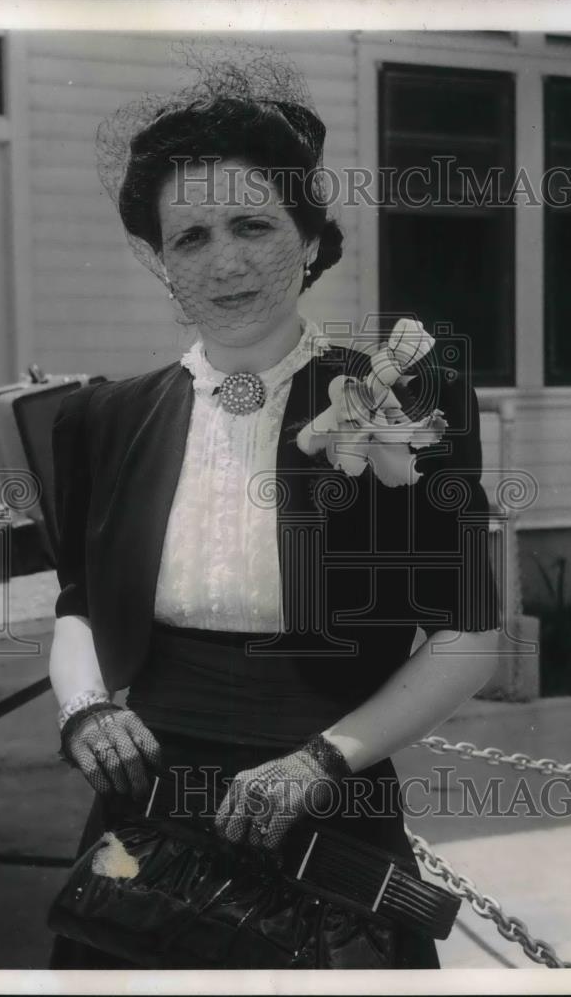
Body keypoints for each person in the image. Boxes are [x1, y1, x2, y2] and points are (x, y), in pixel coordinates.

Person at [48, 47, 500, 970]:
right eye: (190, 238)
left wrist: (322, 761)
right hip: (148, 811)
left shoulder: (404, 404)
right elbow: (79, 605)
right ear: (156, 260)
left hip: (332, 799)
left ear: (308, 237)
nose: (226, 263)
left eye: (252, 224)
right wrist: (88, 711)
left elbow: (466, 636)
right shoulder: (102, 417)